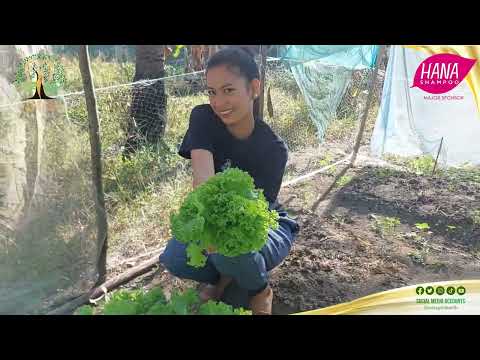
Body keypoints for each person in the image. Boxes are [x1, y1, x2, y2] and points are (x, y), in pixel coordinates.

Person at [159, 46, 300, 315]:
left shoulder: (274, 150)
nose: (218, 102)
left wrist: (219, 283)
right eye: (212, 91)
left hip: (266, 227)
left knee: (229, 254)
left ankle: (260, 290)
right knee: (175, 257)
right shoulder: (202, 117)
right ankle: (231, 277)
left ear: (254, 88)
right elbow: (204, 187)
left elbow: (252, 224)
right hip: (218, 228)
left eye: (229, 90)